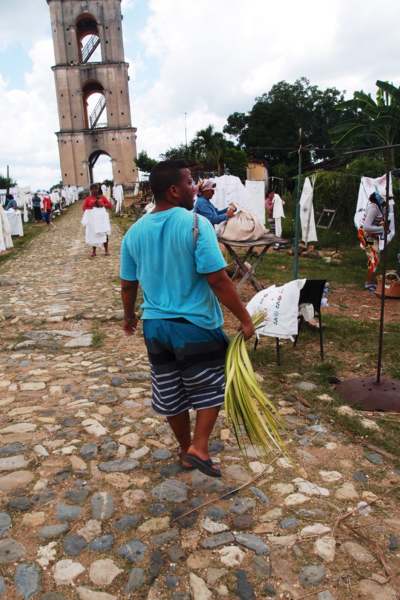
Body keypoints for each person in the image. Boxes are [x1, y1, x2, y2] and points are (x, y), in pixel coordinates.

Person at [120, 160, 254, 478]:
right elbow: (217, 279)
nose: (195, 188)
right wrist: (245, 318)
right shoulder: (196, 224)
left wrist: (129, 317)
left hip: (155, 327)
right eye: (190, 182)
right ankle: (200, 447)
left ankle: (185, 450)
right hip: (194, 325)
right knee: (211, 386)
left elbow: (128, 284)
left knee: (171, 392)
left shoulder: (134, 233)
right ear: (174, 190)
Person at [358, 191, 386, 292]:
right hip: (366, 235)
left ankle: (371, 280)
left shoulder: (378, 207)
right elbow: (366, 227)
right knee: (374, 258)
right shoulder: (373, 208)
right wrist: (382, 229)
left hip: (371, 236)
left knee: (375, 258)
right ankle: (368, 283)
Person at [82, 183, 113, 257]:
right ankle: (94, 251)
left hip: (102, 220)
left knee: (104, 234)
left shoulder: (102, 197)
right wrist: (92, 206)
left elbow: (110, 206)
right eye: (93, 189)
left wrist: (103, 205)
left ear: (98, 189)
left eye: (96, 189)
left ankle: (106, 250)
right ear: (90, 190)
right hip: (93, 221)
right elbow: (84, 208)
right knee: (94, 235)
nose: (95, 190)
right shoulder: (88, 199)